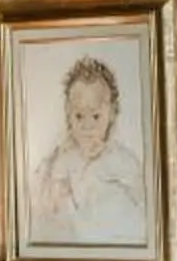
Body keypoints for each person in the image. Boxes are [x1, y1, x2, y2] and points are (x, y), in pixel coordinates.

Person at [29, 54, 146, 247]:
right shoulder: (64, 158)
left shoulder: (122, 159)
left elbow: (140, 201)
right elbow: (52, 203)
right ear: (68, 114)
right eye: (79, 116)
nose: (87, 126)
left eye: (96, 116)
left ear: (112, 113)